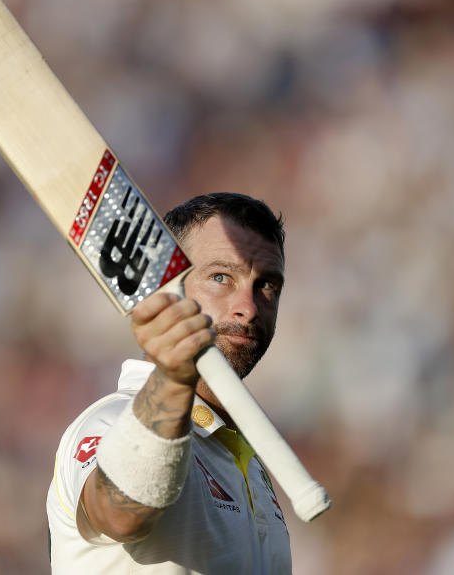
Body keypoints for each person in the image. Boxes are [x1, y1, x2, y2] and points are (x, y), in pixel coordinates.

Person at [46, 192, 293, 573]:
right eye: (220, 277)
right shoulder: (110, 420)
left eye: (266, 285)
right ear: (165, 288)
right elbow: (120, 514)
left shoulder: (250, 462)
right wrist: (175, 376)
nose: (248, 306)